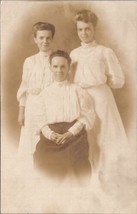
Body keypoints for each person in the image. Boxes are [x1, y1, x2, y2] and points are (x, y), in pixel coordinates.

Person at [70, 9, 129, 191]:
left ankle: (113, 179)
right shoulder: (74, 54)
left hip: (102, 99)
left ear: (94, 29)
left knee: (106, 137)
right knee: (88, 138)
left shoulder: (104, 52)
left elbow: (118, 80)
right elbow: (70, 80)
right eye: (80, 29)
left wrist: (103, 83)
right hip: (82, 99)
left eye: (87, 29)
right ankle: (92, 180)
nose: (84, 33)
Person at [33, 50, 95, 185]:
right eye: (55, 66)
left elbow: (87, 116)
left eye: (63, 66)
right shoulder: (45, 94)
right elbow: (40, 119)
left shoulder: (78, 91)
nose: (59, 70)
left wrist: (70, 133)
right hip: (51, 137)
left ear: (68, 68)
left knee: (79, 166)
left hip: (75, 136)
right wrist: (50, 134)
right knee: (41, 162)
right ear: (50, 67)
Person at [17, 22, 55, 167]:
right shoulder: (29, 61)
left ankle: (48, 175)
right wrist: (21, 111)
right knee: (30, 141)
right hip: (32, 107)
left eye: (48, 38)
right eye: (41, 38)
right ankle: (31, 176)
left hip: (51, 106)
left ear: (52, 39)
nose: (45, 41)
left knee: (48, 139)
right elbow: (24, 88)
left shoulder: (57, 59)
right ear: (35, 39)